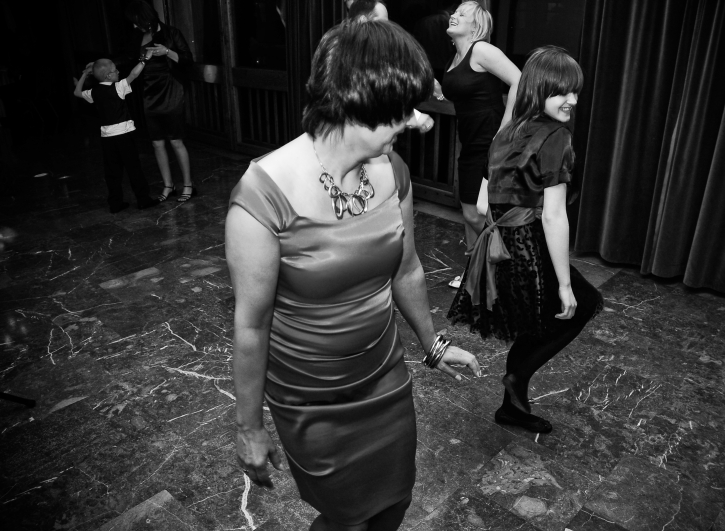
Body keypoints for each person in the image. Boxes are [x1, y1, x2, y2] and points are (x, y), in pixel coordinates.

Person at [226, 20, 480, 531]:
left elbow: (406, 267)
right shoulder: (262, 196)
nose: (414, 121)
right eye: (401, 109)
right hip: (312, 398)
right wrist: (249, 427)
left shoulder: (393, 171)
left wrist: (432, 345)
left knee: (393, 505)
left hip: (384, 378)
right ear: (356, 103)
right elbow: (251, 325)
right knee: (348, 519)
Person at [447, 46, 603, 433]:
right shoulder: (557, 137)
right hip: (529, 246)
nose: (572, 100)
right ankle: (515, 382)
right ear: (539, 90)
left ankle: (513, 404)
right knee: (581, 303)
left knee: (537, 321)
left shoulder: (507, 132)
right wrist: (564, 283)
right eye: (562, 91)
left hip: (500, 247)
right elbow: (553, 215)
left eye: (575, 91)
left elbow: (481, 205)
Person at [435, 1, 520, 288]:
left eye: (462, 13)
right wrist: (437, 90)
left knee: (475, 212)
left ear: (476, 25)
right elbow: (464, 92)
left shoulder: (481, 50)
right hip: (470, 142)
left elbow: (520, 81)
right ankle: (474, 272)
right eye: (455, 12)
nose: (454, 15)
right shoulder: (456, 57)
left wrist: (504, 129)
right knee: (468, 209)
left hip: (489, 140)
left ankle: (511, 267)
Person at [123, 1, 196, 202]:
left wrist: (167, 52)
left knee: (175, 140)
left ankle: (188, 184)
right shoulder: (136, 36)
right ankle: (168, 185)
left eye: (136, 22)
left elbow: (188, 60)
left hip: (171, 89)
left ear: (146, 18)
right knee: (156, 143)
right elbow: (127, 61)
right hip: (148, 92)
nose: (134, 26)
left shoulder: (171, 33)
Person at [74, 56, 160, 213]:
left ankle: (115, 203)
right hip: (124, 135)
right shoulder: (118, 87)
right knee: (134, 167)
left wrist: (85, 74)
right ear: (108, 76)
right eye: (115, 70)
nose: (118, 72)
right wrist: (143, 60)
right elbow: (134, 74)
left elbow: (77, 92)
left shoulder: (94, 92)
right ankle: (143, 199)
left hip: (107, 137)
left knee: (112, 171)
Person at [346, 0, 435, 135]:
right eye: (382, 22)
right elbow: (372, 94)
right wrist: (412, 116)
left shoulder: (374, 51)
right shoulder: (348, 52)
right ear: (362, 20)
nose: (387, 28)